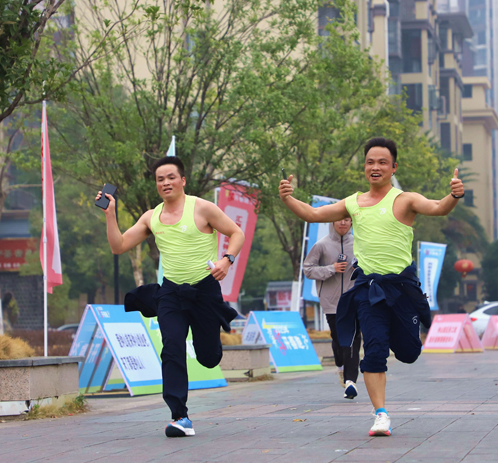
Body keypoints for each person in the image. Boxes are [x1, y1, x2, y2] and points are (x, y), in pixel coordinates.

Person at [279, 137, 463, 437]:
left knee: (408, 352)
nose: (375, 167)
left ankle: (400, 342)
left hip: (402, 288)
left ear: (394, 167)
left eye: (382, 162)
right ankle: (380, 414)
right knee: (374, 351)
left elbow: (439, 207)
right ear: (364, 167)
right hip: (369, 289)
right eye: (370, 162)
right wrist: (288, 198)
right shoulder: (353, 203)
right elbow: (313, 214)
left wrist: (454, 195)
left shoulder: (405, 200)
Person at [97, 156, 245, 438]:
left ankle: (212, 336)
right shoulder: (150, 217)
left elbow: (236, 233)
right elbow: (119, 246)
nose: (165, 182)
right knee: (172, 347)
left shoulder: (202, 208)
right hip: (171, 292)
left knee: (209, 357)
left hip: (204, 290)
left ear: (183, 180)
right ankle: (180, 417)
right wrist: (110, 214)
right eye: (160, 179)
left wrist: (227, 260)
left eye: (171, 177)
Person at [303, 218, 360, 400]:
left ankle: (351, 381)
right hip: (331, 302)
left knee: (353, 339)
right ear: (332, 222)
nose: (343, 223)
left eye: (347, 220)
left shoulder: (360, 243)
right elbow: (308, 270)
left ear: (352, 222)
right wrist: (331, 268)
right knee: (338, 339)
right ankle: (340, 366)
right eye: (339, 220)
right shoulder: (321, 245)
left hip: (354, 300)